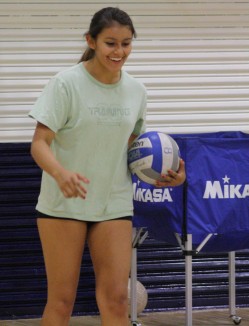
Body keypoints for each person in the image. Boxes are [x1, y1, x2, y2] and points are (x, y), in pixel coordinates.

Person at [29, 7, 186, 326]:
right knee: (61, 301)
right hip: (64, 204)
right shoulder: (65, 84)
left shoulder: (137, 91)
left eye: (126, 43)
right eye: (111, 43)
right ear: (92, 41)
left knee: (116, 299)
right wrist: (61, 173)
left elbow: (132, 147)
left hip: (113, 202)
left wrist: (166, 174)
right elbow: (39, 143)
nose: (119, 52)